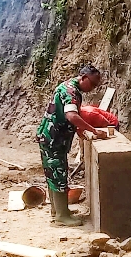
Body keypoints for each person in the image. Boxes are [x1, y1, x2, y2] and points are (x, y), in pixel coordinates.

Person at [36, 65, 108, 226]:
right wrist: (93, 130)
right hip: (54, 138)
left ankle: (58, 211)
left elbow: (64, 114)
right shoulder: (71, 92)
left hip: (49, 136)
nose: (93, 88)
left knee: (52, 173)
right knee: (58, 173)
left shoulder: (66, 86)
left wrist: (79, 130)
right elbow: (71, 115)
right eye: (93, 84)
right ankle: (62, 216)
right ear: (83, 78)